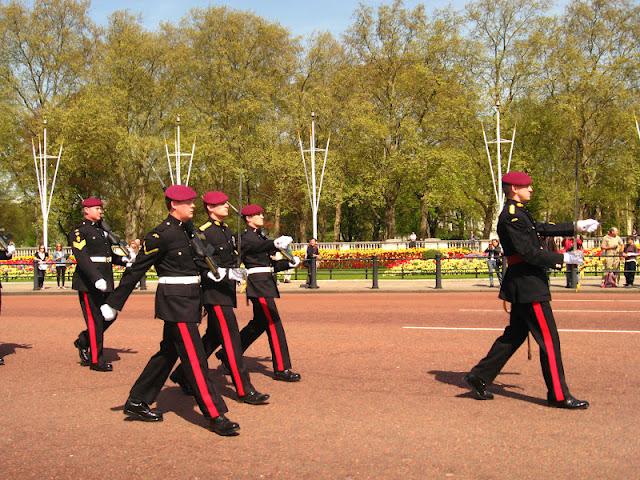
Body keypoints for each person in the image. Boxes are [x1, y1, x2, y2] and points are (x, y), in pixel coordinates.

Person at [100, 185, 240, 436]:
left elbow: (201, 262)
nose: (193, 206)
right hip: (175, 302)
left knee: (168, 353)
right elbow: (136, 270)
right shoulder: (160, 235)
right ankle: (215, 414)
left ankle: (137, 401)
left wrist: (226, 273)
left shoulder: (189, 231)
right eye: (188, 202)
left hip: (190, 299)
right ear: (174, 205)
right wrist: (114, 303)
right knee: (196, 359)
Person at [464, 171, 599, 409]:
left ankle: (480, 376)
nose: (531, 189)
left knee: (514, 335)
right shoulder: (511, 216)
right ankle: (558, 394)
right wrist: (564, 258)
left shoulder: (519, 213)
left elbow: (540, 228)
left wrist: (576, 226)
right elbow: (529, 252)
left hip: (524, 283)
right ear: (514, 188)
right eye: (527, 186)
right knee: (549, 339)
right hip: (528, 285)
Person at [169, 191, 269, 405]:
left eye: (226, 203)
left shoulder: (226, 231)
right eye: (221, 204)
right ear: (210, 208)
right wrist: (224, 272)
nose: (226, 206)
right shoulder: (204, 232)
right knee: (232, 342)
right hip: (214, 295)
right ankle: (245, 389)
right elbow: (202, 262)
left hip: (225, 291)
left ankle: (182, 374)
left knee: (213, 338)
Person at [216, 204, 302, 382]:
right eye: (258, 215)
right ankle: (281, 367)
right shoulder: (245, 238)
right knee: (274, 323)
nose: (262, 217)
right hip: (258, 285)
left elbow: (268, 266)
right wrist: (273, 243)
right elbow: (256, 249)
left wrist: (288, 263)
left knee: (259, 324)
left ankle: (227, 354)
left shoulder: (259, 236)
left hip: (266, 282)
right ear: (248, 218)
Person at [69, 197, 129, 372]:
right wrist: (96, 278)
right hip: (89, 283)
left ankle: (84, 340)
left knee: (111, 314)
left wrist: (124, 260)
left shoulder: (102, 231)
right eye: (97, 208)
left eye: (101, 208)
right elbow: (82, 257)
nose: (101, 211)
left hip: (105, 280)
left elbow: (108, 255)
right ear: (87, 210)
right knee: (95, 320)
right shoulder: (79, 231)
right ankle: (96, 360)